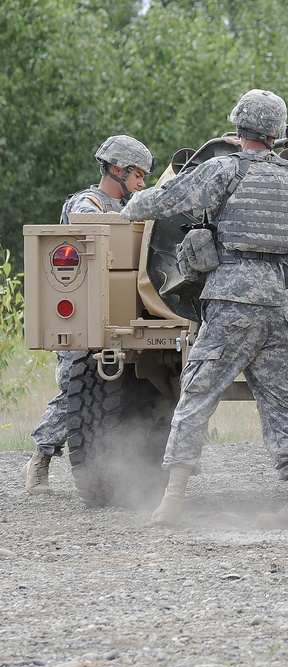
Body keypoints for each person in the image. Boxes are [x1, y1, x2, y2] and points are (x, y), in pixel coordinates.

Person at [118, 89, 288, 529]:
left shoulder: (222, 169)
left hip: (231, 301)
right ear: (276, 132)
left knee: (196, 395)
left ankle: (171, 502)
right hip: (278, 305)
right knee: (279, 404)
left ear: (239, 127)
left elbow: (154, 204)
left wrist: (129, 206)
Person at [24, 135, 154, 495]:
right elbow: (87, 222)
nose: (141, 183)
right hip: (83, 312)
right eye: (137, 175)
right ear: (117, 169)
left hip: (111, 309)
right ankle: (41, 458)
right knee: (73, 391)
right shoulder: (90, 201)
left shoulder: (124, 200)